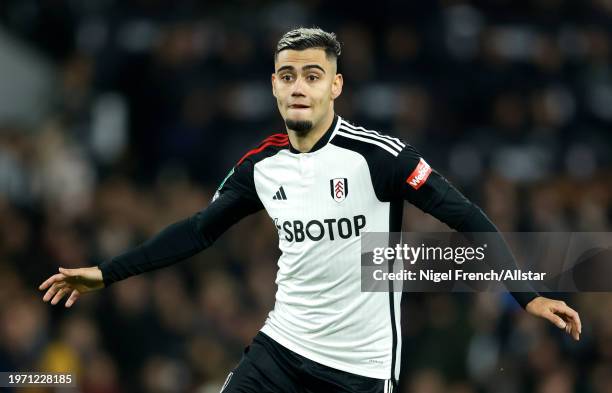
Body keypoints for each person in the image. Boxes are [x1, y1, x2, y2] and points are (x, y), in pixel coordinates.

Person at [39, 27, 581, 393]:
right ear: (274, 85)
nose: (299, 86)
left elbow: (466, 217)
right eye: (288, 75)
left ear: (335, 86)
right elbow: (198, 232)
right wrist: (108, 272)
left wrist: (527, 295)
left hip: (360, 370)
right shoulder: (262, 166)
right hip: (281, 348)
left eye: (313, 75)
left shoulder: (379, 157)